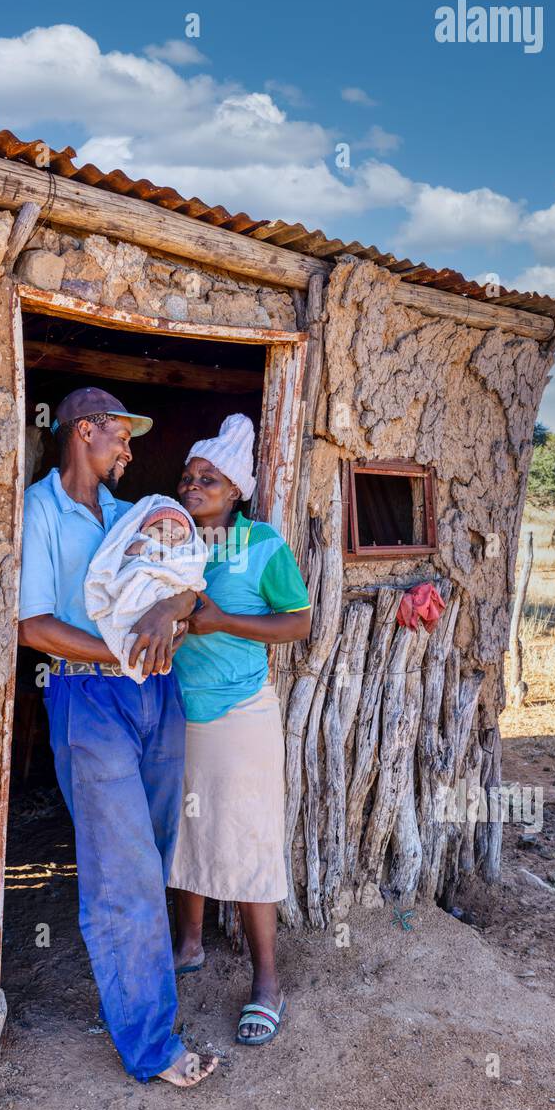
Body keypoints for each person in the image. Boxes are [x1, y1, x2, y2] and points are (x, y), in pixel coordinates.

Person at [18, 386, 217, 1089]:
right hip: (89, 692)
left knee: (158, 842)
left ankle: (140, 989)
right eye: (120, 437)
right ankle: (150, 1043)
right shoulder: (39, 512)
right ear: (82, 432)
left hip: (157, 691)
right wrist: (128, 649)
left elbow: (187, 582)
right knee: (122, 870)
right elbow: (34, 626)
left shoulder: (134, 513)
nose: (130, 451)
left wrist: (169, 607)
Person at [169, 414, 312, 1046]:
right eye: (189, 476)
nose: (193, 486)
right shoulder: (171, 539)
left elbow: (300, 623)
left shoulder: (263, 545)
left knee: (249, 837)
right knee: (189, 827)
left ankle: (267, 982)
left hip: (241, 713)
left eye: (209, 479)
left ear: (237, 492)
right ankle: (190, 944)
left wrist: (223, 621)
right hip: (180, 709)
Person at [84, 495, 208, 682]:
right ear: (143, 531)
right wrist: (137, 551)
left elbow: (192, 582)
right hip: (132, 597)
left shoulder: (184, 558)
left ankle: (147, 650)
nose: (168, 536)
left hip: (164, 599)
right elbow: (118, 569)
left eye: (178, 535)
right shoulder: (136, 545)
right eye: (160, 529)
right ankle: (135, 647)